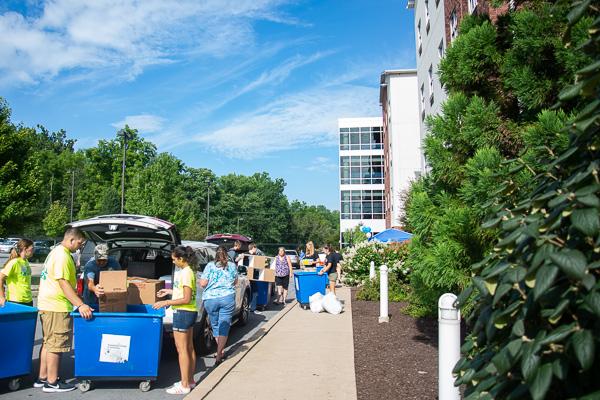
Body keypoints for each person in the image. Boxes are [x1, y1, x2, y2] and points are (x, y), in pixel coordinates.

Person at [36, 228, 93, 393]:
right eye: (80, 243)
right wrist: (80, 304)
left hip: (48, 304)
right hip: (56, 306)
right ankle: (52, 382)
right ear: (71, 240)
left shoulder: (56, 252)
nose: (80, 246)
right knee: (57, 345)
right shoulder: (62, 255)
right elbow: (63, 283)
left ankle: (43, 377)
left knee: (48, 343)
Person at [153, 246, 198, 395]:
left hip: (183, 312)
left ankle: (184, 385)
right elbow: (184, 292)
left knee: (182, 350)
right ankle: (189, 380)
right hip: (189, 312)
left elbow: (186, 298)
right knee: (189, 348)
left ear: (181, 258)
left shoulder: (186, 273)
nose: (173, 262)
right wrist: (169, 291)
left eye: (174, 259)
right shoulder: (188, 271)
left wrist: (166, 302)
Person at [200, 245, 237, 365]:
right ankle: (219, 353)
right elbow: (235, 281)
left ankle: (220, 351)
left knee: (215, 325)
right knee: (224, 325)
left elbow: (203, 283)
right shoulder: (232, 266)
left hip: (211, 299)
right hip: (227, 298)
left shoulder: (210, 266)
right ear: (227, 254)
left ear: (215, 255)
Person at [82, 244, 121, 310]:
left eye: (104, 260)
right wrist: (95, 289)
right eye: (99, 260)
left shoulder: (114, 264)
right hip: (91, 300)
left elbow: (120, 278)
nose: (102, 262)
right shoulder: (90, 266)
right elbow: (90, 282)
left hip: (109, 298)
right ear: (95, 257)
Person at [0, 238, 34, 307]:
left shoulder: (26, 261)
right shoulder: (14, 262)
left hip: (28, 300)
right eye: (32, 249)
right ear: (25, 249)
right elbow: (0, 278)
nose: (33, 251)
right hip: (16, 301)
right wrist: (2, 297)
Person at [247, 242, 264, 314]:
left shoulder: (254, 254)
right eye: (255, 248)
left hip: (252, 276)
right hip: (250, 277)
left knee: (253, 292)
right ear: (253, 248)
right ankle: (252, 308)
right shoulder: (246, 255)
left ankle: (251, 308)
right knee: (254, 292)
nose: (256, 250)